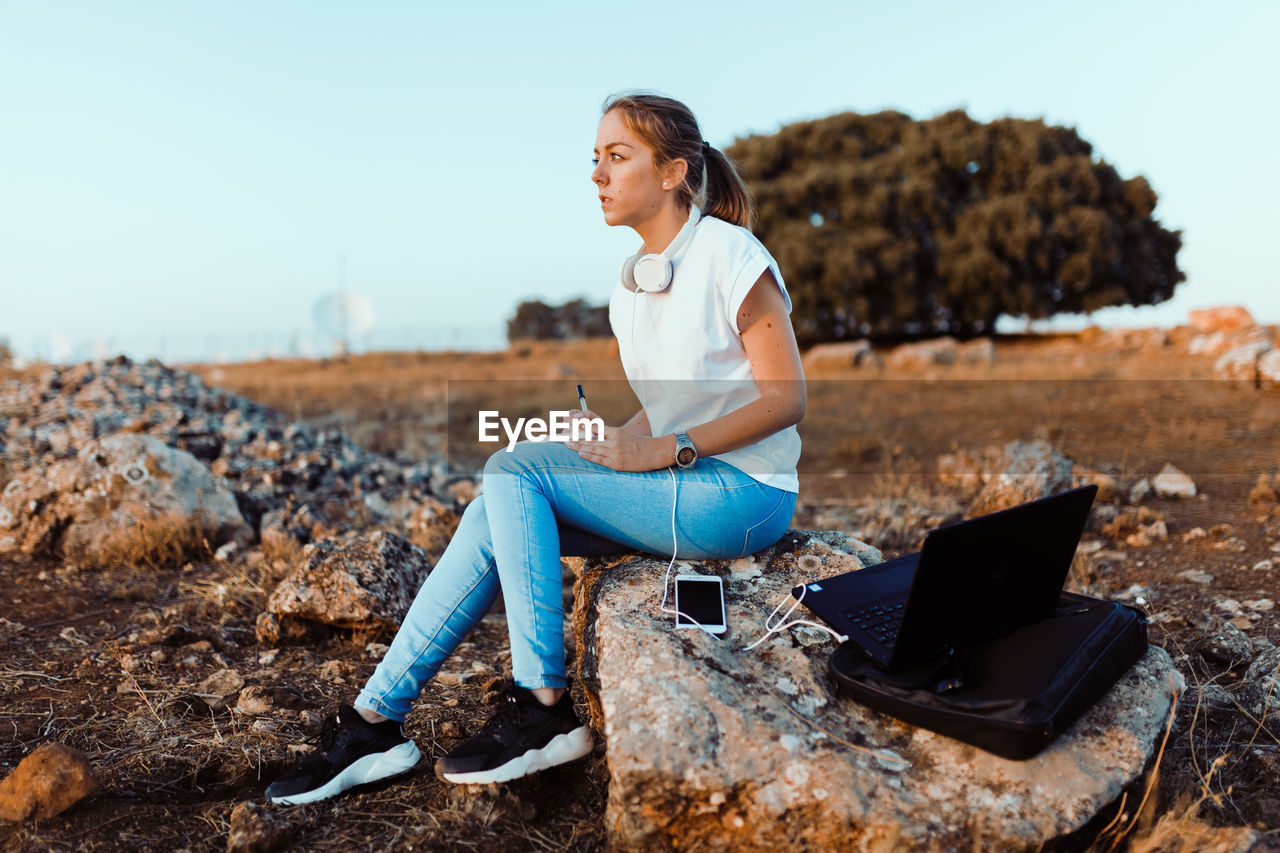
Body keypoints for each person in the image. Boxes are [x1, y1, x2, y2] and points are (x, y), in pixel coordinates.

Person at [264, 92, 806, 805]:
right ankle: (375, 721)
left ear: (675, 171)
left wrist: (664, 451)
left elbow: (784, 398)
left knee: (511, 469)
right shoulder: (631, 289)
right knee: (498, 501)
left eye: (618, 157)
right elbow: (675, 401)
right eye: (594, 159)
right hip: (683, 486)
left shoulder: (731, 254)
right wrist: (613, 442)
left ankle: (542, 707)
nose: (598, 175)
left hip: (743, 495)